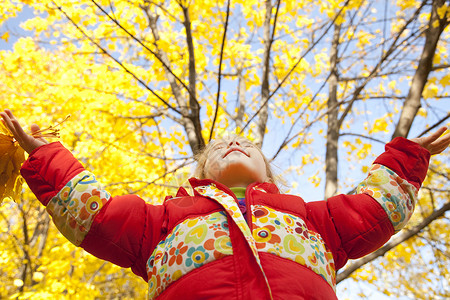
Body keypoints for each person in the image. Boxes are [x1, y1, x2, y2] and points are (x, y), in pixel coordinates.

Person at [1, 108, 449, 300]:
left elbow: (375, 210)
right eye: (219, 147)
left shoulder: (313, 219)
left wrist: (407, 159)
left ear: (270, 174)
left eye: (247, 144)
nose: (234, 142)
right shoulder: (161, 221)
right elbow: (94, 213)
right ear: (200, 175)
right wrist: (47, 157)